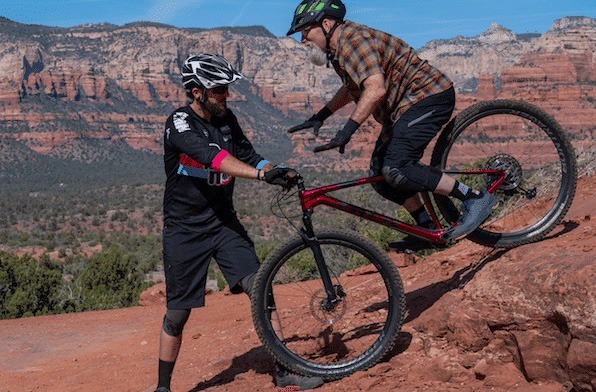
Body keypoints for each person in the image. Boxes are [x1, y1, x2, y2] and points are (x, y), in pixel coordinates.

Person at [156, 53, 323, 392]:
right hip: (184, 230)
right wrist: (262, 176)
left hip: (223, 224)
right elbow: (214, 159)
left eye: (225, 89)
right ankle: (163, 387)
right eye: (218, 90)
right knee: (177, 314)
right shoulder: (179, 123)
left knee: (260, 288)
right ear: (196, 91)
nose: (225, 95)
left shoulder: (226, 118)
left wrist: (275, 168)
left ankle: (284, 370)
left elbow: (246, 153)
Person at [287, 0, 497, 251]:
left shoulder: (353, 41)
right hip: (403, 108)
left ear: (326, 24)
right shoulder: (338, 49)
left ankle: (475, 198)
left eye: (305, 31)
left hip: (428, 96)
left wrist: (347, 131)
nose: (303, 39)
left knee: (397, 167)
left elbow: (375, 89)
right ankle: (427, 228)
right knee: (381, 177)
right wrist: (321, 115)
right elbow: (353, 86)